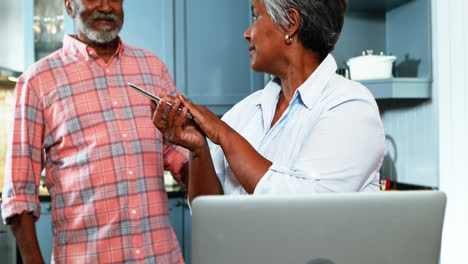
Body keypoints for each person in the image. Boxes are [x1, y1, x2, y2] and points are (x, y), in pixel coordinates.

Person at [1, 0, 188, 263]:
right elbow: (19, 196)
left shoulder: (153, 68)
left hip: (161, 256)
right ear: (69, 6)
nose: (105, 6)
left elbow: (180, 157)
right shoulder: (37, 81)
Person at [151, 0, 385, 204]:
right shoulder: (245, 111)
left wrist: (224, 134)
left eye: (256, 16)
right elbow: (209, 210)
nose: (247, 33)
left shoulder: (351, 105)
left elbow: (308, 208)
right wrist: (198, 149)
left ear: (291, 24)